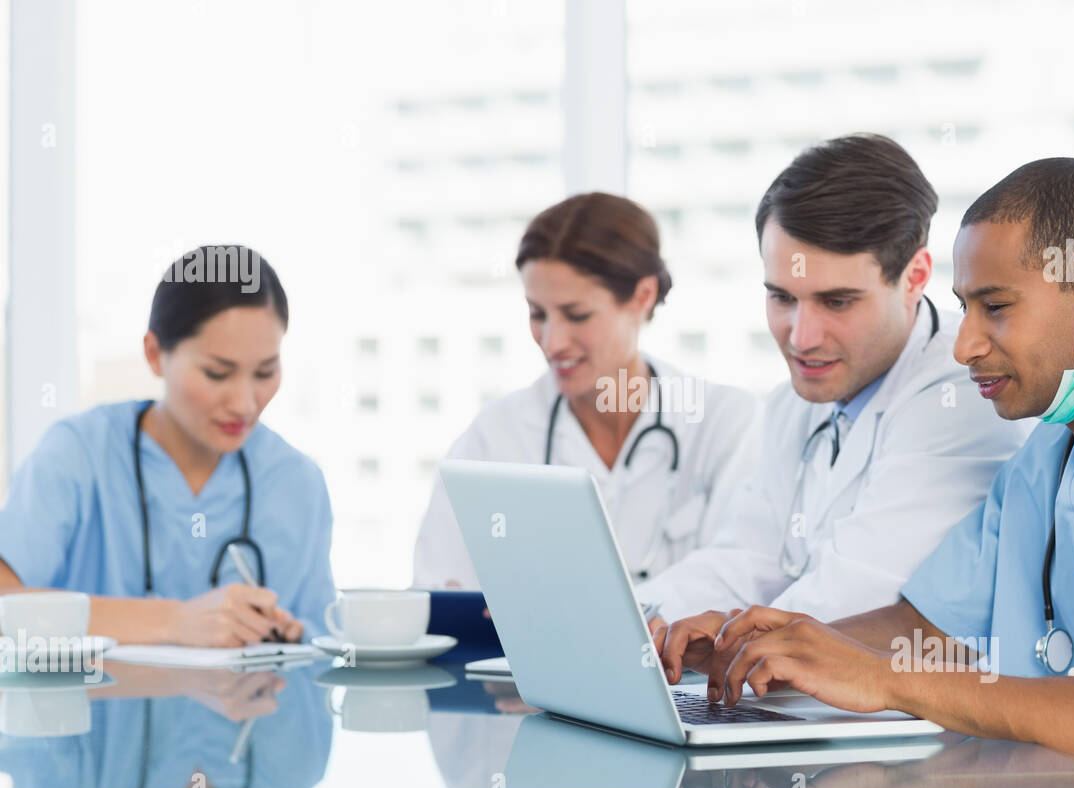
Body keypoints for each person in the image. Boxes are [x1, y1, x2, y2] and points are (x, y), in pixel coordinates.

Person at [658, 158, 1074, 788]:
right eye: (964, 308)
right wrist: (770, 643)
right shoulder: (1046, 455)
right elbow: (930, 626)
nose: (964, 344)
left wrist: (889, 679)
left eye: (994, 307)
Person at [637, 134, 1030, 627]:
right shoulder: (794, 402)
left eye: (837, 302)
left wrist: (719, 639)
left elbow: (859, 593)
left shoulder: (964, 395)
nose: (801, 338)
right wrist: (629, 619)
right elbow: (745, 563)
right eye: (782, 297)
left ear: (914, 278)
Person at [413, 193, 760, 589]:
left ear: (642, 297)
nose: (552, 341)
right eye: (537, 314)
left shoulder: (724, 422)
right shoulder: (497, 437)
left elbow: (742, 582)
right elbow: (440, 587)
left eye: (577, 315)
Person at [0, 245, 335, 646]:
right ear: (155, 355)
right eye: (217, 373)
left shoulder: (296, 483)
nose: (245, 404)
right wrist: (176, 621)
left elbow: (321, 639)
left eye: (265, 371)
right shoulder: (78, 454)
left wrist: (287, 638)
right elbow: (5, 604)